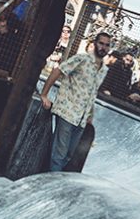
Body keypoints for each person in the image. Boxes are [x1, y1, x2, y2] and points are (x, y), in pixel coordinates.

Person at [41, 32, 111, 173]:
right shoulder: (82, 59)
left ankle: (50, 178)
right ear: (95, 43)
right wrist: (44, 95)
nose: (103, 47)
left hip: (81, 119)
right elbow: (58, 70)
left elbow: (92, 92)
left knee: (68, 155)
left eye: (107, 45)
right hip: (68, 111)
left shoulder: (104, 69)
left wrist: (90, 115)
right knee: (59, 155)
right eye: (101, 43)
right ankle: (53, 186)